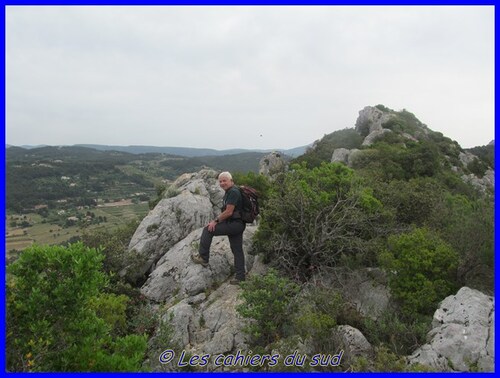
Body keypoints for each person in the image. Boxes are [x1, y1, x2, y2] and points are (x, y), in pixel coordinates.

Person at [191, 171, 246, 284]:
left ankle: (203, 257)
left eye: (224, 180)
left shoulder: (233, 192)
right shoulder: (230, 191)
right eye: (220, 181)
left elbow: (229, 212)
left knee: (208, 230)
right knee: (237, 250)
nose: (222, 183)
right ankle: (240, 277)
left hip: (234, 224)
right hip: (237, 224)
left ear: (231, 180)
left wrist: (215, 221)